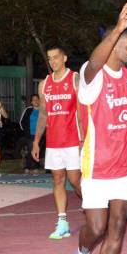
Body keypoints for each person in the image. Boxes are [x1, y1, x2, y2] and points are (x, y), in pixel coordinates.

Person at [73, 0, 127, 254]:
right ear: (113, 45)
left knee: (117, 229)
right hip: (97, 165)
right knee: (95, 229)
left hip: (126, 168)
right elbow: (95, 61)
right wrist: (117, 29)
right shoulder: (91, 76)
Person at [32, 46, 83, 238]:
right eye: (49, 58)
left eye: (55, 57)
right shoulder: (44, 84)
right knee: (58, 180)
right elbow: (43, 115)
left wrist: (83, 138)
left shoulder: (75, 79)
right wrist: (37, 141)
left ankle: (95, 212)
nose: (52, 61)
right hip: (53, 143)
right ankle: (62, 222)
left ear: (65, 58)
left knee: (76, 181)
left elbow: (82, 111)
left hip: (73, 141)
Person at [19, 94, 42, 174]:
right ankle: (28, 167)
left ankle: (35, 166)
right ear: (31, 102)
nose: (36, 101)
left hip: (40, 135)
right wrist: (26, 132)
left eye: (37, 99)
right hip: (30, 134)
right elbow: (21, 122)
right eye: (34, 100)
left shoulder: (43, 110)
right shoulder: (28, 110)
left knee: (37, 150)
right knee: (30, 150)